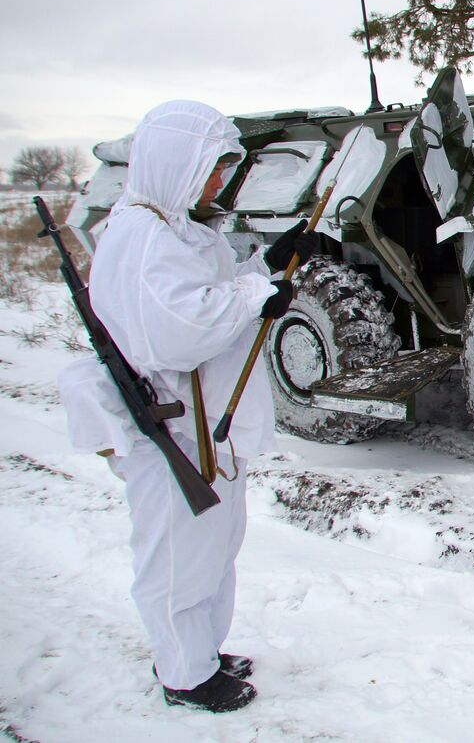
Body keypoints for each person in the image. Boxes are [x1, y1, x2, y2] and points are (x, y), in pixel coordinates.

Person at [60, 100, 311, 712]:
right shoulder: (143, 238)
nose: (221, 183)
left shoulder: (180, 231)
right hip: (174, 427)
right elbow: (182, 326)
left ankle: (201, 650)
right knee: (176, 555)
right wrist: (257, 296)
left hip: (205, 427)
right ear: (180, 165)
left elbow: (211, 293)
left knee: (213, 548)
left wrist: (264, 267)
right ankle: (183, 674)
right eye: (214, 170)